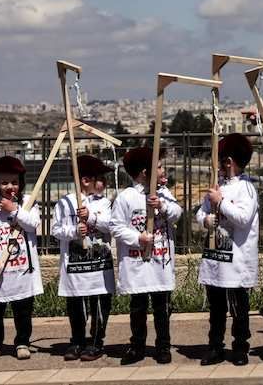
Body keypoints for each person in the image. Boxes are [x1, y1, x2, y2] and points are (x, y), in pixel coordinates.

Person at [110, 146, 183, 365]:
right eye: (158, 167)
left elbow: (177, 213)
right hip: (137, 263)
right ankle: (137, 346)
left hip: (160, 263)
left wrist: (162, 206)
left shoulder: (164, 194)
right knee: (138, 307)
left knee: (162, 308)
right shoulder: (126, 198)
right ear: (144, 172)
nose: (163, 170)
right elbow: (116, 227)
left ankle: (163, 346)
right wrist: (137, 238)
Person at [196, 133, 260, 367]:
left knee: (238, 309)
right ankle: (215, 346)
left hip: (237, 261)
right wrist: (205, 220)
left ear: (229, 162)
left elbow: (243, 218)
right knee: (217, 309)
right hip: (216, 259)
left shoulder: (247, 188)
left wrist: (221, 202)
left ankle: (240, 346)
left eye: (221, 160)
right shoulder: (217, 186)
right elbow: (201, 212)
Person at [0, 156, 43, 361]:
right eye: (4, 182)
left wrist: (14, 210)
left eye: (14, 182)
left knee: (23, 309)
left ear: (20, 183)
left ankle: (22, 341)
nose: (9, 187)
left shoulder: (28, 202)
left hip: (23, 269)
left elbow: (33, 224)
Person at [53, 155, 117, 362]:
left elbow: (111, 225)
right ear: (85, 180)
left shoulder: (105, 203)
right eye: (100, 178)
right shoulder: (65, 203)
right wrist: (74, 230)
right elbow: (55, 230)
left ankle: (97, 341)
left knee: (99, 304)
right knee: (76, 306)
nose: (105, 183)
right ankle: (78, 341)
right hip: (76, 267)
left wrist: (90, 217)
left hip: (99, 267)